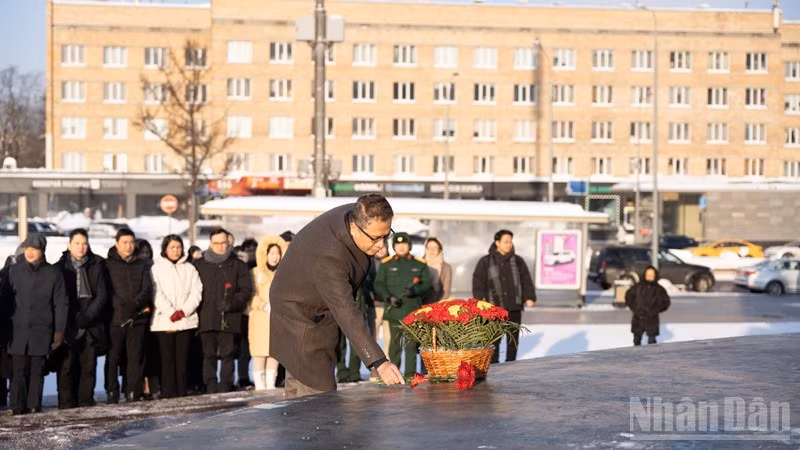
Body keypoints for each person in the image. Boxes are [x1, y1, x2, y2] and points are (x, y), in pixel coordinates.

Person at [270, 194, 405, 399]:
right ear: (354, 227)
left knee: (300, 391)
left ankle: (297, 424)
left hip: (310, 304)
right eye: (375, 238)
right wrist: (379, 362)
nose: (381, 245)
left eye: (386, 235)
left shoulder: (359, 213)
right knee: (318, 391)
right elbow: (345, 310)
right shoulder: (330, 256)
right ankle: (311, 429)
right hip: (302, 317)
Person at [1, 233, 68, 415]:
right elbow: (5, 302)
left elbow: (61, 304)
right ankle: (16, 405)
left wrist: (59, 332)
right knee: (18, 370)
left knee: (37, 370)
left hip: (42, 330)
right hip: (17, 331)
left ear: (42, 251)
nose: (30, 252)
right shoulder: (14, 272)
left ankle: (33, 404)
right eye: (27, 248)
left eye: (34, 249)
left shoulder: (54, 273)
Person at [53, 228, 110, 409]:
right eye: (77, 243)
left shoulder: (96, 265)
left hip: (91, 323)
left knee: (88, 367)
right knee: (67, 367)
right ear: (69, 245)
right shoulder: (59, 268)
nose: (81, 247)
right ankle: (66, 403)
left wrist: (88, 316)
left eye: (84, 243)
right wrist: (73, 317)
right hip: (68, 324)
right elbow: (58, 298)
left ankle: (86, 401)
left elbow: (102, 295)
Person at [193, 228, 252, 394]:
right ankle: (210, 385)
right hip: (206, 316)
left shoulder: (238, 265)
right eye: (216, 243)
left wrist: (233, 303)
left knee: (228, 354)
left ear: (229, 243)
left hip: (230, 316)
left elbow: (245, 289)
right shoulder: (199, 264)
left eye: (223, 243)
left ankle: (226, 384)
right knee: (208, 354)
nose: (220, 246)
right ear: (210, 243)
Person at [472, 229, 536, 364]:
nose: (509, 244)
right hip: (493, 310)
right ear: (497, 242)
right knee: (493, 341)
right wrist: (480, 300)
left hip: (514, 308)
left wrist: (529, 297)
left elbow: (526, 280)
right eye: (506, 241)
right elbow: (478, 282)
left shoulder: (518, 261)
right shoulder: (486, 261)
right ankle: (494, 367)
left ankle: (510, 365)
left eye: (510, 241)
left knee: (513, 341)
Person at [374, 232, 433, 378]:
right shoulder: (386, 264)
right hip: (394, 310)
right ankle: (395, 375)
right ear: (393, 246)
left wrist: (415, 290)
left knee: (411, 346)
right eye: (397, 244)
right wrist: (389, 298)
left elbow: (427, 283)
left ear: (409, 246)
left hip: (412, 311)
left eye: (404, 244)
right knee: (394, 346)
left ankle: (410, 375)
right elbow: (379, 284)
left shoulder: (419, 264)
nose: (401, 247)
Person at [151, 235, 203, 398]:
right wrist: (170, 311)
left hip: (186, 321)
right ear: (165, 249)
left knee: (182, 359)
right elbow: (155, 292)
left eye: (178, 247)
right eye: (172, 247)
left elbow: (197, 291)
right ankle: (168, 391)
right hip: (164, 321)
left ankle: (182, 390)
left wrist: (184, 311)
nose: (176, 251)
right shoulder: (156, 269)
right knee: (167, 360)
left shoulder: (190, 268)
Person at [106, 228, 154, 403]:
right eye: (124, 243)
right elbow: (107, 290)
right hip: (116, 318)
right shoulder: (108, 264)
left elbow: (147, 288)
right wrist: (120, 306)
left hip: (138, 317)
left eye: (131, 242)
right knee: (114, 357)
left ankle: (133, 390)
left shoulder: (142, 264)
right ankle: (112, 391)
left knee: (135, 356)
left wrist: (136, 304)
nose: (128, 246)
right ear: (117, 243)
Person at [248, 236, 287, 391]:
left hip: (278, 318)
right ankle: (259, 384)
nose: (275, 257)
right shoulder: (255, 273)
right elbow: (250, 294)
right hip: (259, 318)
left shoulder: (283, 273)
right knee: (259, 352)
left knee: (274, 352)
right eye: (271, 253)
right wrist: (262, 305)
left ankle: (271, 383)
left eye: (277, 253)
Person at [135, 239, 160, 400]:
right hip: (139, 314)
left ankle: (153, 386)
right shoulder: (136, 269)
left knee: (153, 354)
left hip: (155, 314)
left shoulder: (155, 268)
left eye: (147, 252)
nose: (145, 255)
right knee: (139, 354)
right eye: (141, 252)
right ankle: (140, 386)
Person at [625, 266, 671, 346]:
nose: (650, 276)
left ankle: (651, 357)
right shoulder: (637, 287)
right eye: (648, 274)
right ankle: (637, 357)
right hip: (638, 318)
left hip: (652, 319)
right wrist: (635, 308)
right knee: (637, 341)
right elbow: (628, 296)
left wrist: (656, 310)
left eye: (652, 274)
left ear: (655, 275)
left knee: (652, 342)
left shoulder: (659, 289)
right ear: (645, 275)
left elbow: (666, 302)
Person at [423, 237, 452, 304]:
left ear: (440, 249)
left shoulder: (446, 268)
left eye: (435, 248)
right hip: (421, 304)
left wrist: (438, 306)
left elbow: (446, 290)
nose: (432, 250)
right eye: (429, 248)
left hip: (438, 304)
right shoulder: (419, 265)